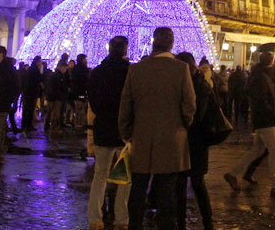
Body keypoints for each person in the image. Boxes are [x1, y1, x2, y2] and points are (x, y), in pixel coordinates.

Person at [120, 27, 196, 230]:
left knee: (137, 190)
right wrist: (182, 126)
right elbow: (190, 105)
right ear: (171, 44)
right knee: (166, 194)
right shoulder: (181, 69)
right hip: (172, 139)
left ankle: (134, 226)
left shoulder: (136, 69)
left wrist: (127, 134)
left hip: (141, 137)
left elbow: (126, 105)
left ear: (153, 42)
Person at [224, 51, 275, 196]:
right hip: (266, 119)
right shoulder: (261, 78)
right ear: (269, 61)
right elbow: (262, 100)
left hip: (262, 119)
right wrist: (272, 114)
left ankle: (233, 173)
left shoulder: (260, 75)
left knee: (257, 151)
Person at [87, 36, 131, 230]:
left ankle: (95, 218)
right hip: (124, 133)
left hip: (103, 129)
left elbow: (93, 102)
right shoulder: (130, 72)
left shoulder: (97, 72)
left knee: (100, 176)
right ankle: (121, 219)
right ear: (125, 50)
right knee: (124, 178)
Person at [175, 52, 215, 230]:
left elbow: (194, 115)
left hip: (188, 138)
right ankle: (208, 222)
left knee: (182, 183)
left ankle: (182, 222)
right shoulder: (203, 83)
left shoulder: (189, 85)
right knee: (198, 183)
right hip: (199, 141)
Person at [46, 61, 71, 130]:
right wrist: (65, 89)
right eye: (65, 68)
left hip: (53, 96)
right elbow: (58, 86)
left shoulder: (55, 74)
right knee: (55, 113)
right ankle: (54, 128)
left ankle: (48, 126)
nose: (66, 70)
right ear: (61, 67)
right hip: (56, 97)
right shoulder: (58, 75)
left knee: (51, 112)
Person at [22, 56, 44, 132]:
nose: (41, 63)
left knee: (28, 109)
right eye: (40, 61)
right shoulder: (35, 70)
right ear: (37, 61)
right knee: (29, 109)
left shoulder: (31, 69)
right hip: (31, 92)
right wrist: (41, 72)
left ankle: (26, 125)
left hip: (29, 92)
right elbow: (38, 79)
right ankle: (27, 125)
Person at [70, 54, 90, 131]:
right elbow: (85, 81)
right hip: (81, 92)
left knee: (78, 109)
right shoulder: (83, 69)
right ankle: (80, 125)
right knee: (81, 109)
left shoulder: (75, 69)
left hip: (76, 92)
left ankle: (77, 124)